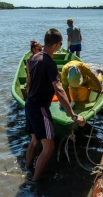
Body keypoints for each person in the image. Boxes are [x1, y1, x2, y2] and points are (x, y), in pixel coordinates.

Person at [25, 28, 86, 181]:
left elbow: (29, 83)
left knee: (34, 141)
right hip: (40, 109)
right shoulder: (49, 63)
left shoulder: (34, 58)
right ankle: (35, 183)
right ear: (58, 44)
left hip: (29, 105)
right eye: (61, 43)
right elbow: (59, 90)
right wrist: (73, 115)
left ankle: (27, 168)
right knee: (49, 147)